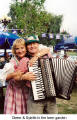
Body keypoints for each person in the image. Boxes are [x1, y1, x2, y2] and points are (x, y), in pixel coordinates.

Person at [3, 38, 49, 114]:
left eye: (22, 48)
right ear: (14, 51)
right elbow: (4, 78)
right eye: (17, 49)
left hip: (26, 91)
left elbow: (46, 49)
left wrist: (36, 56)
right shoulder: (13, 61)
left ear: (26, 48)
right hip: (14, 92)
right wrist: (22, 77)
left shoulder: (28, 57)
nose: (20, 51)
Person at [22, 34, 58, 114]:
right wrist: (23, 76)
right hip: (35, 97)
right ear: (26, 47)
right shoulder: (25, 59)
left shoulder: (47, 55)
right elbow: (15, 76)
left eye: (34, 43)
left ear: (38, 45)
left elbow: (56, 67)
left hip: (51, 96)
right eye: (29, 44)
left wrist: (36, 56)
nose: (32, 46)